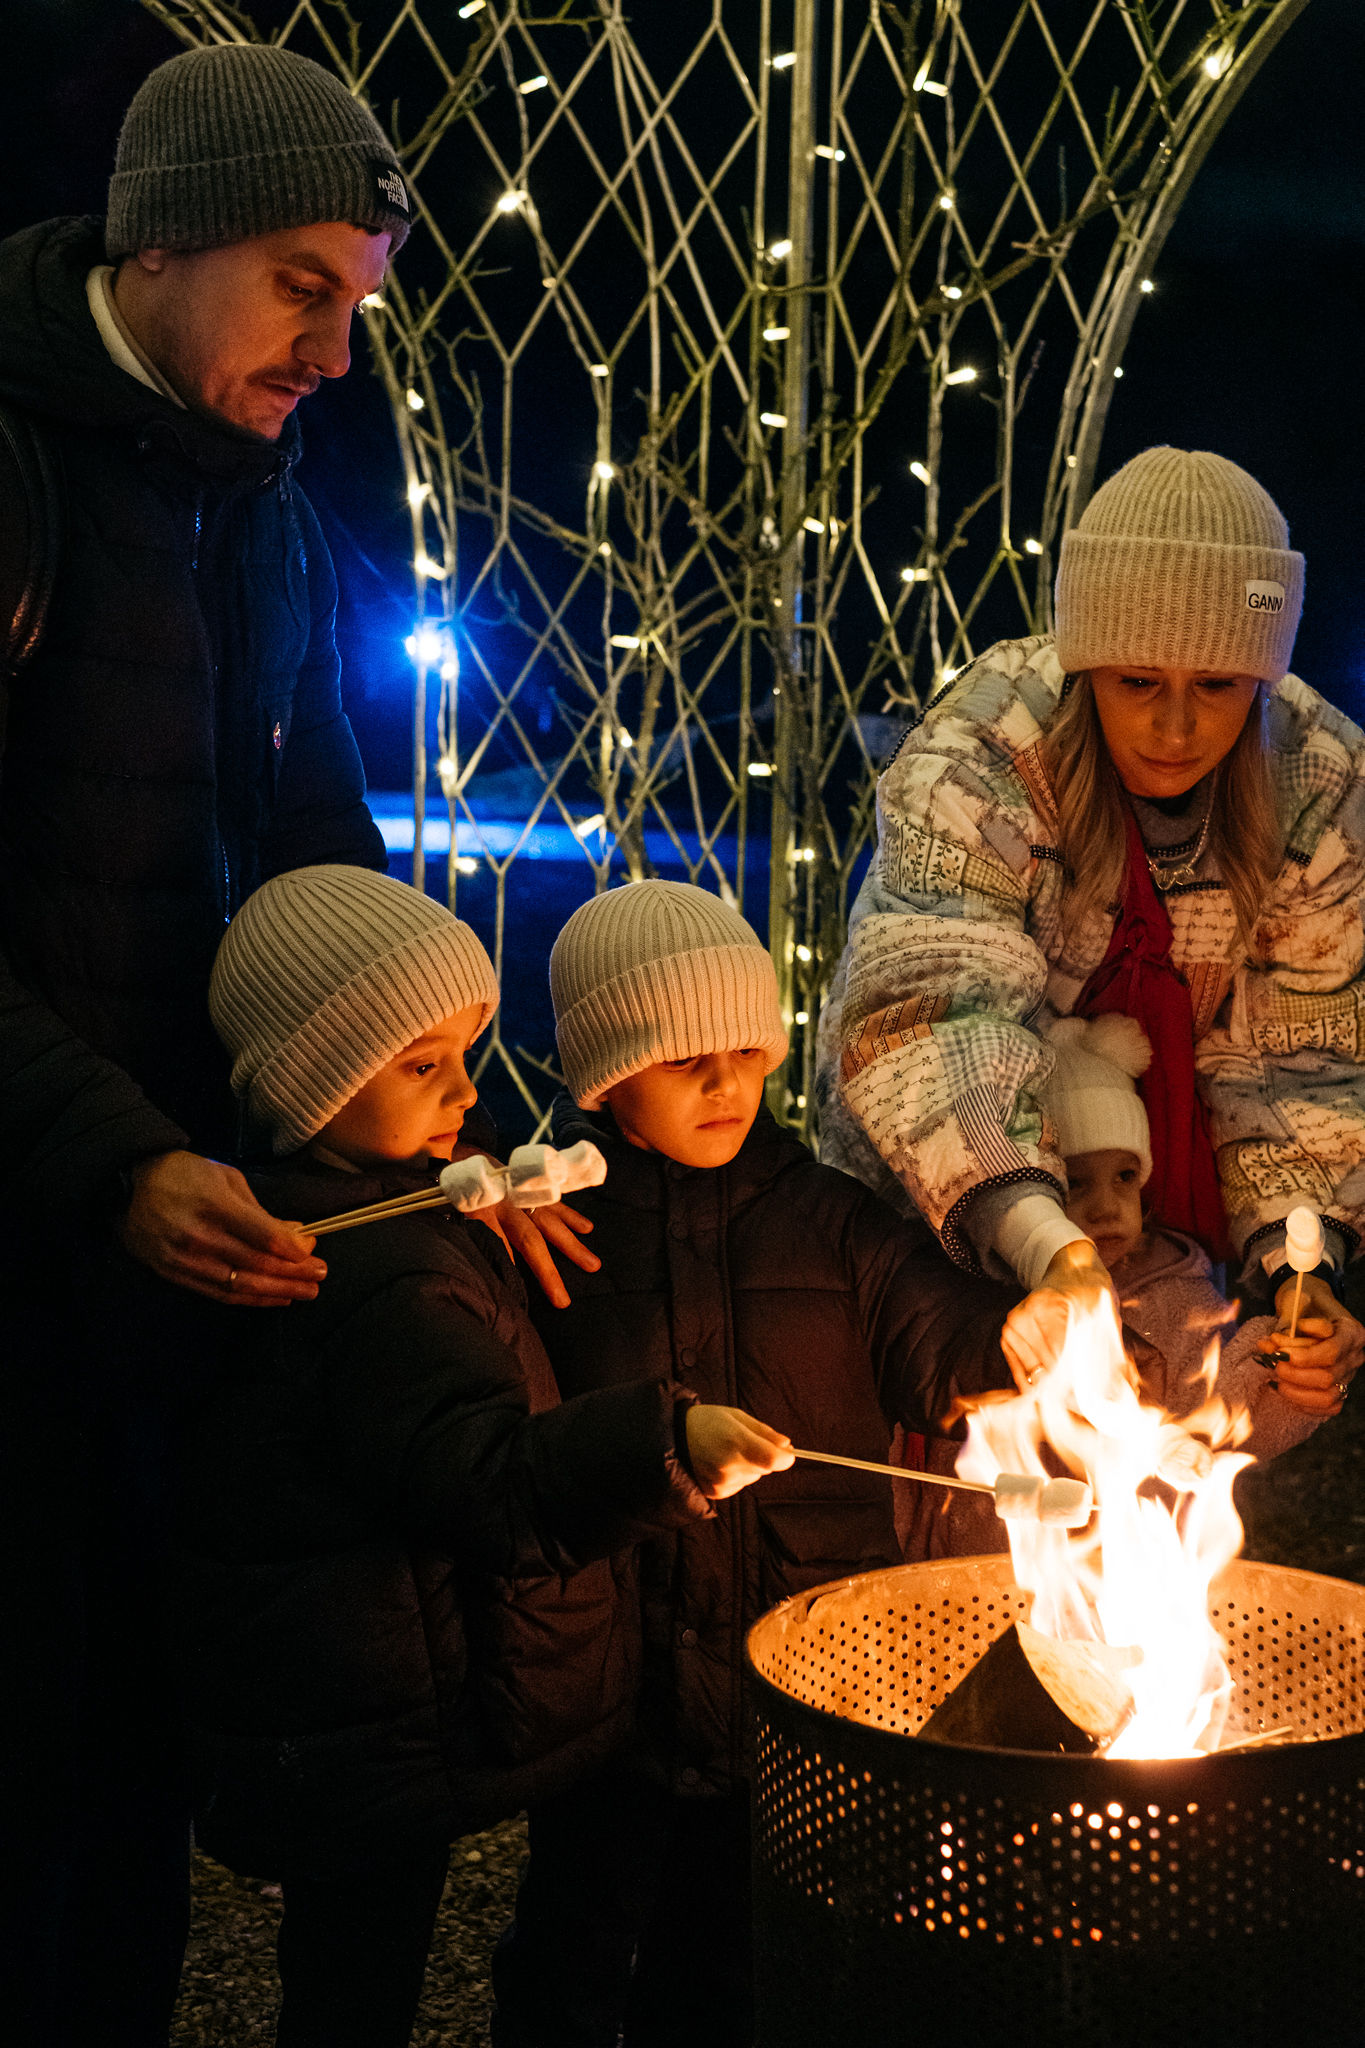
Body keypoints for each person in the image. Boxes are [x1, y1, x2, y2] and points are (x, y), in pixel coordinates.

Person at [177, 862, 793, 2048]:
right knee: (358, 1974)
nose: (468, 1089)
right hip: (363, 1699)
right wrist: (663, 1441)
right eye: (424, 1065)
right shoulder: (377, 1274)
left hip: (362, 1685)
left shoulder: (392, 1206)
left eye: (467, 1049)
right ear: (316, 1082)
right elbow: (487, 1477)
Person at [489, 879, 1022, 2048]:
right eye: (691, 1063)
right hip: (609, 1685)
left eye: (748, 1048)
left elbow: (931, 1338)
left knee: (736, 1964)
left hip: (788, 1664)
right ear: (609, 1073)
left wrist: (1018, 1342)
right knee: (577, 1947)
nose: (732, 1084)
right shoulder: (553, 1228)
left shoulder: (826, 1218)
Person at [818, 445, 1365, 1403]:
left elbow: (1299, 1057)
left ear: (1264, 681)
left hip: (1149, 1200)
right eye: (1138, 683)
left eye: (1218, 685)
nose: (1176, 731)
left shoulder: (1318, 790)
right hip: (951, 1205)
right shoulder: (979, 754)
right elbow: (936, 1014)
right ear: (1086, 664)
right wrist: (1047, 1243)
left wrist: (1298, 1266)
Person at [906, 1012, 1335, 1558]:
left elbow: (1227, 1425)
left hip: (1135, 1563)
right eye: (1074, 1182)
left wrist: (1292, 1390)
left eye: (1125, 1177)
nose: (1106, 1206)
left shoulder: (1182, 1296)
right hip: (993, 1556)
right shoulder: (1001, 1302)